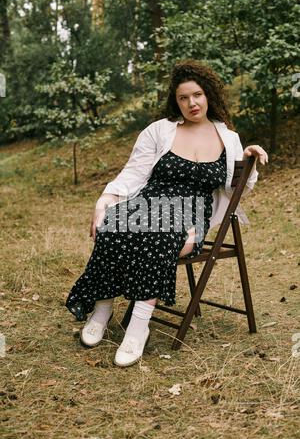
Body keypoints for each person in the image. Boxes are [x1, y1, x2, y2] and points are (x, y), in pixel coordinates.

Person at [65, 59, 268, 367]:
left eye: (197, 95)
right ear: (176, 101)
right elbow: (133, 172)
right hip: (149, 202)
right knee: (113, 222)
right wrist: (106, 197)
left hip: (191, 212)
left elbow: (239, 187)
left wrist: (249, 158)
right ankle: (103, 309)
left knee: (160, 236)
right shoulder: (160, 131)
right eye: (183, 98)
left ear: (208, 94)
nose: (191, 103)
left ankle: (137, 327)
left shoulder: (228, 137)